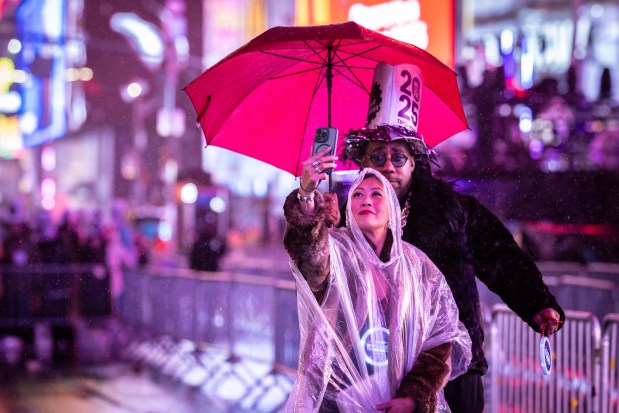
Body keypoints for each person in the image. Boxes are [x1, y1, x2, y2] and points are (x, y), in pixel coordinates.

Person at [325, 62, 565, 413]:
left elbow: (501, 258)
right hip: (374, 368)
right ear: (363, 163)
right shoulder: (350, 214)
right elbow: (326, 281)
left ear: (414, 163)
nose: (389, 165)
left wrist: (537, 303)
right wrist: (322, 220)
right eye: (378, 156)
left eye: (399, 156)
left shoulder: (452, 210)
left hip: (453, 367)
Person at [283, 163, 472, 413]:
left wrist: (414, 397)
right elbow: (310, 257)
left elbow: (438, 342)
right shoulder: (336, 252)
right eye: (358, 194)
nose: (366, 200)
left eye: (376, 194)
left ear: (393, 208)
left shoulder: (418, 267)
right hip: (335, 402)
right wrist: (307, 195)